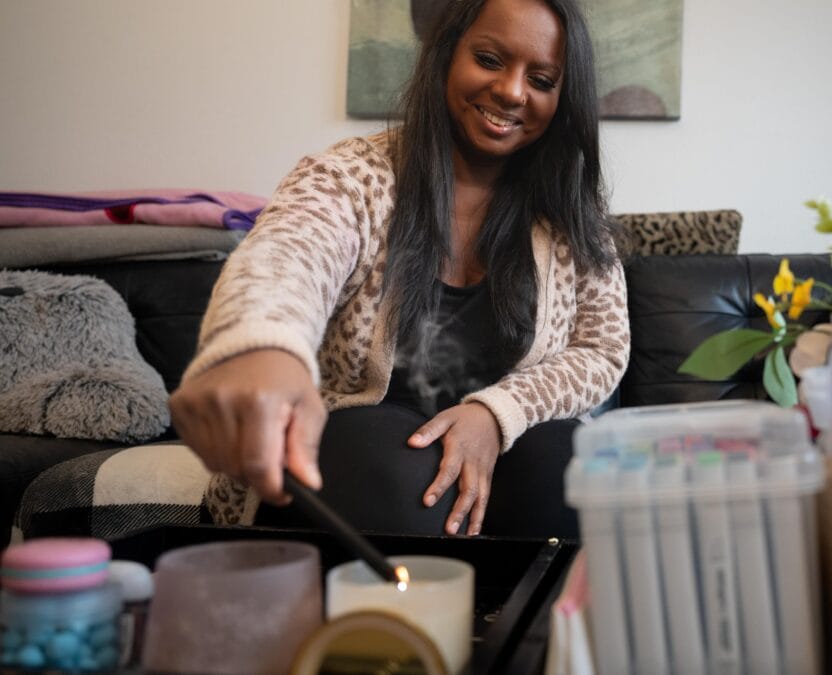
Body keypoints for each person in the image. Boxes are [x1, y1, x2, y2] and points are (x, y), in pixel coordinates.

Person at [168, 0, 629, 538]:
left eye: (543, 79)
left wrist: (497, 413)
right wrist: (263, 348)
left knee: (572, 468)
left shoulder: (572, 211)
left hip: (508, 442)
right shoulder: (350, 176)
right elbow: (285, 259)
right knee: (394, 474)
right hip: (363, 451)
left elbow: (602, 347)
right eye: (489, 58)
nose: (512, 91)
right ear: (445, 54)